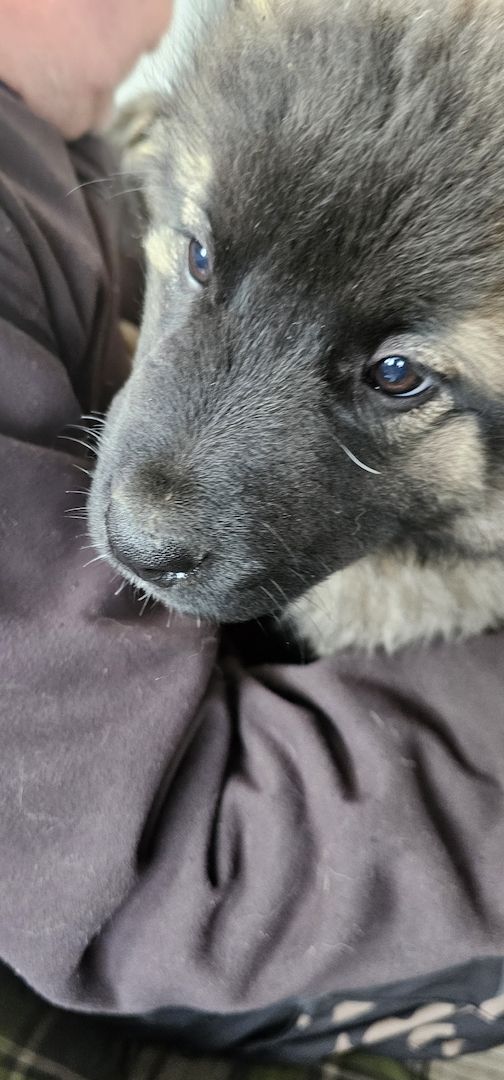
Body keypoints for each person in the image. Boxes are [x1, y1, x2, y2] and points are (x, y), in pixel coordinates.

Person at [1, 0, 504, 1066]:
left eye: (397, 376)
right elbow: (158, 874)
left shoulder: (67, 146)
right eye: (199, 260)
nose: (148, 510)